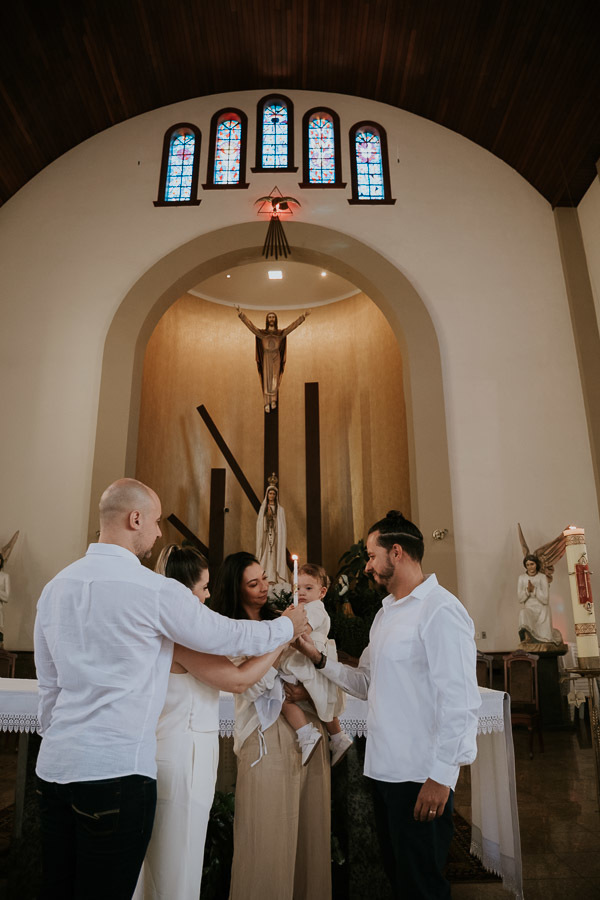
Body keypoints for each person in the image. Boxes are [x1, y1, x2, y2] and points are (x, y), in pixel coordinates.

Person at [34, 478, 307, 900]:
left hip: (54, 769)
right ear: (135, 518)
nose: (159, 532)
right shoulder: (153, 590)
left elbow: (49, 687)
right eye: (157, 521)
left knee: (60, 888)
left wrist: (60, 742)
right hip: (116, 771)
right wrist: (287, 626)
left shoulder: (55, 588)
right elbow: (228, 634)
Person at [295, 510, 481, 899]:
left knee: (423, 886)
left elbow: (460, 700)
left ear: (396, 552)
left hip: (420, 775)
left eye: (371, 555)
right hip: (385, 773)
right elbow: (366, 682)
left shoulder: (440, 610)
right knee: (399, 879)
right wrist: (319, 659)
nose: (367, 565)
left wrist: (441, 776)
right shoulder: (385, 614)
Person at [135, 544, 290, 900]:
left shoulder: (169, 629)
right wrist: (282, 640)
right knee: (176, 861)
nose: (207, 596)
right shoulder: (181, 638)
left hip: (177, 749)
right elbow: (238, 680)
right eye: (204, 587)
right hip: (183, 755)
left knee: (171, 856)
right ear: (183, 590)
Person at [211, 552, 332, 900]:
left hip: (308, 728)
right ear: (236, 589)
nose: (265, 587)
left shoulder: (281, 617)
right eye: (254, 583)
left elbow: (315, 664)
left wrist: (307, 685)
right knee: (266, 837)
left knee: (309, 834)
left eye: (264, 578)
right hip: (263, 736)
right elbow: (253, 684)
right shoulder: (228, 630)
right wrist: (284, 636)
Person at [279, 563, 353, 766]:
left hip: (305, 658)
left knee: (280, 693)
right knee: (319, 699)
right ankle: (338, 737)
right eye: (298, 588)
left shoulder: (314, 608)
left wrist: (284, 624)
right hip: (309, 659)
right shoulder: (307, 608)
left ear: (322, 592)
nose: (301, 592)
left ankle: (306, 734)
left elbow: (301, 633)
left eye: (308, 588)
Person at [236, 306, 310, 412]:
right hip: (266, 356)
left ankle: (273, 400)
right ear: (267, 320)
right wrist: (241, 314)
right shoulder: (262, 334)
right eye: (270, 317)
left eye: (273, 317)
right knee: (267, 378)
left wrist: (303, 317)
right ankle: (266, 402)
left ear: (275, 320)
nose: (271, 319)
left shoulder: (280, 333)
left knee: (275, 378)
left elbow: (292, 327)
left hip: (276, 356)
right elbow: (251, 326)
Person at [255, 479, 288, 585]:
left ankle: (275, 576)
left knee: (274, 556)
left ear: (276, 495)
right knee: (265, 554)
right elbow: (260, 524)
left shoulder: (280, 510)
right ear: (267, 494)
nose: (272, 495)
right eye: (270, 493)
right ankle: (264, 575)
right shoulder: (263, 508)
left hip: (276, 537)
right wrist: (266, 517)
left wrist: (273, 518)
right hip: (266, 536)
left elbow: (282, 526)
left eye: (274, 494)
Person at [518, 553, 555, 643]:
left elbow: (545, 599)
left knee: (546, 609)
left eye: (532, 564)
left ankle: (544, 638)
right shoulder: (522, 578)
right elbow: (520, 599)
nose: (530, 567)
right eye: (527, 565)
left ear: (536, 564)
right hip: (530, 609)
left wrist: (534, 590)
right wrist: (527, 591)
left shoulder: (542, 577)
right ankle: (527, 638)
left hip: (541, 609)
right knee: (523, 613)